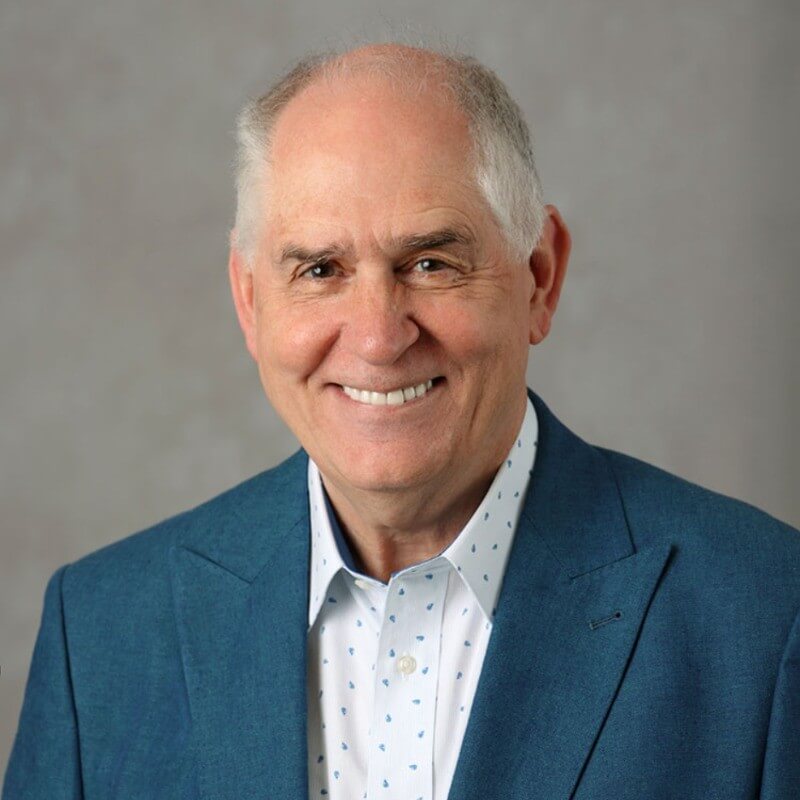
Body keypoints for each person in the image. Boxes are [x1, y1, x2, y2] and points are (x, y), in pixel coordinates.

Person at [4, 43, 800, 800]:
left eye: (430, 263)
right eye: (320, 270)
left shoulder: (765, 619)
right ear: (250, 302)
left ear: (539, 278)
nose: (380, 337)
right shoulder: (103, 635)